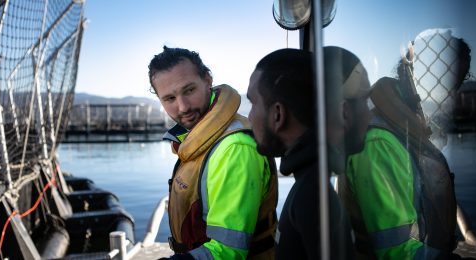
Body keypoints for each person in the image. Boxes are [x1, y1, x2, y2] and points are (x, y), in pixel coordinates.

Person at [338, 37, 465, 258]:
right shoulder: (379, 143)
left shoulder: (408, 128)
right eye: (442, 81)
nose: (449, 93)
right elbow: (395, 251)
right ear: (414, 75)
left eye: (455, 84)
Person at [148, 46, 278, 259]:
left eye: (189, 90)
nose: (182, 107)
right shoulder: (197, 139)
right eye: (169, 99)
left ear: (208, 80)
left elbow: (228, 251)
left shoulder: (235, 148)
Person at [246, 46, 372, 259]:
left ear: (278, 115)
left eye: (253, 103)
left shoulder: (312, 197)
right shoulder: (312, 186)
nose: (249, 117)